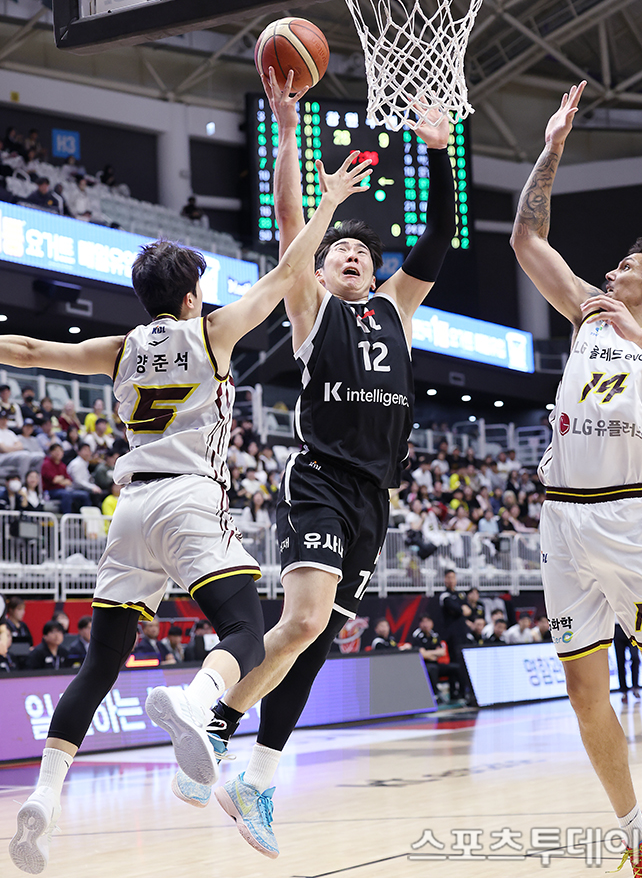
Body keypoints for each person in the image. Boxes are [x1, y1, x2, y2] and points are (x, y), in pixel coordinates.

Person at [7, 147, 371, 874]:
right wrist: (328, 202)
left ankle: (44, 794)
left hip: (129, 510)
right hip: (188, 498)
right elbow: (289, 273)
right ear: (190, 296)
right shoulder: (212, 332)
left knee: (98, 665)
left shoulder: (117, 349)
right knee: (245, 629)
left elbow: (27, 348)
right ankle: (197, 701)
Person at [178, 70, 456, 857]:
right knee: (300, 621)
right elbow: (289, 216)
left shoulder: (397, 308)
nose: (352, 255)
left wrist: (439, 152)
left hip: (375, 498)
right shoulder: (312, 305)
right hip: (321, 479)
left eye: (362, 252)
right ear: (323, 270)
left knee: (313, 639)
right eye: (339, 252)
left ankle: (256, 777)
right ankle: (212, 727)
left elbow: (438, 237)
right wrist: (288, 129)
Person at [510, 80, 642, 874]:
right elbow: (527, 238)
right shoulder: (589, 310)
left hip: (634, 517)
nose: (612, 271)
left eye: (627, 265)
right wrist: (552, 147)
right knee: (584, 692)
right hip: (563, 521)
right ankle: (636, 831)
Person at [614, 623, 641, 704]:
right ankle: (624, 691)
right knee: (620, 661)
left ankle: (635, 687)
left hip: (631, 627)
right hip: (617, 628)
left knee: (635, 658)